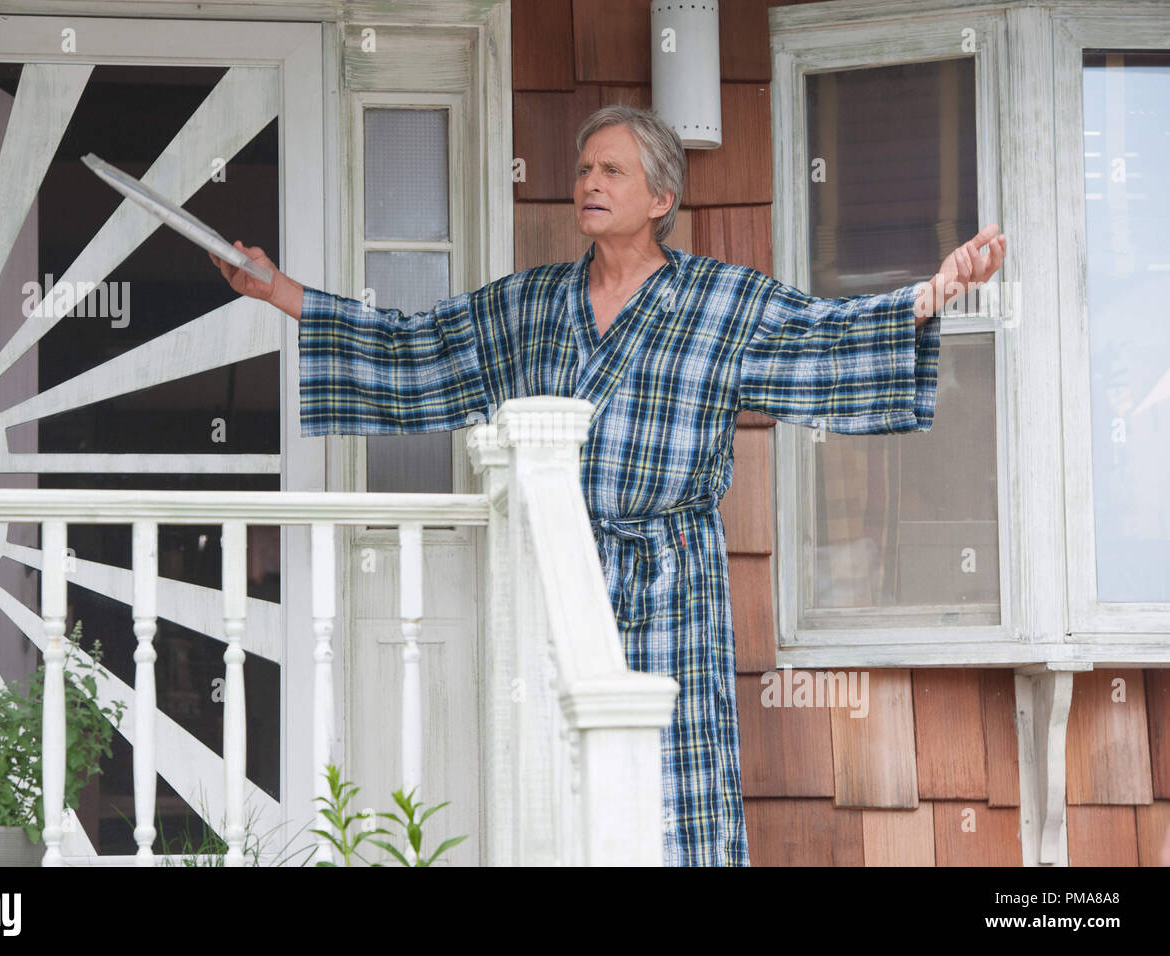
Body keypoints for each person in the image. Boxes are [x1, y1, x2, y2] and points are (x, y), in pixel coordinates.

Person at [210, 104, 1008, 866]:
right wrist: (277, 289)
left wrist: (932, 293)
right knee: (546, 775)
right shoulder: (531, 304)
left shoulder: (724, 301)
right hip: (554, 577)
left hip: (672, 578)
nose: (589, 182)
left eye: (613, 171)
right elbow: (413, 346)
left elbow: (826, 335)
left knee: (672, 773)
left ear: (660, 197)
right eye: (585, 168)